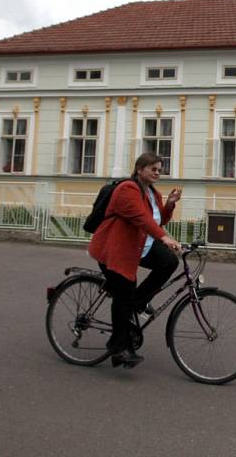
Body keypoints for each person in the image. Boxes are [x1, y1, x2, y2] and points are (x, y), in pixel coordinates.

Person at [88, 152, 182, 368]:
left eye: (160, 169)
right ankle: (118, 347)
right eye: (153, 169)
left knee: (169, 262)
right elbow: (141, 218)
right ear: (140, 169)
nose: (158, 173)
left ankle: (137, 303)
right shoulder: (127, 189)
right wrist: (163, 237)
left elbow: (159, 219)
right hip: (115, 249)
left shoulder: (153, 193)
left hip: (140, 247)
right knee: (124, 292)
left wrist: (169, 204)